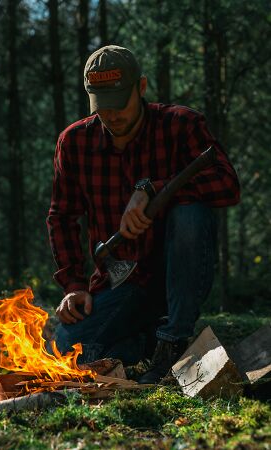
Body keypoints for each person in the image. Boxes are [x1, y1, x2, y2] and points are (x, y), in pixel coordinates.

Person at [46, 45, 240, 384]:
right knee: (66, 347)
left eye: (120, 104)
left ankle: (174, 341)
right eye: (102, 108)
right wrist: (74, 284)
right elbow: (61, 217)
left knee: (190, 212)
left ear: (142, 87)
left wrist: (154, 190)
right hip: (121, 283)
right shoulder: (75, 142)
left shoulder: (180, 125)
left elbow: (227, 185)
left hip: (179, 276)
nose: (113, 116)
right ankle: (147, 341)